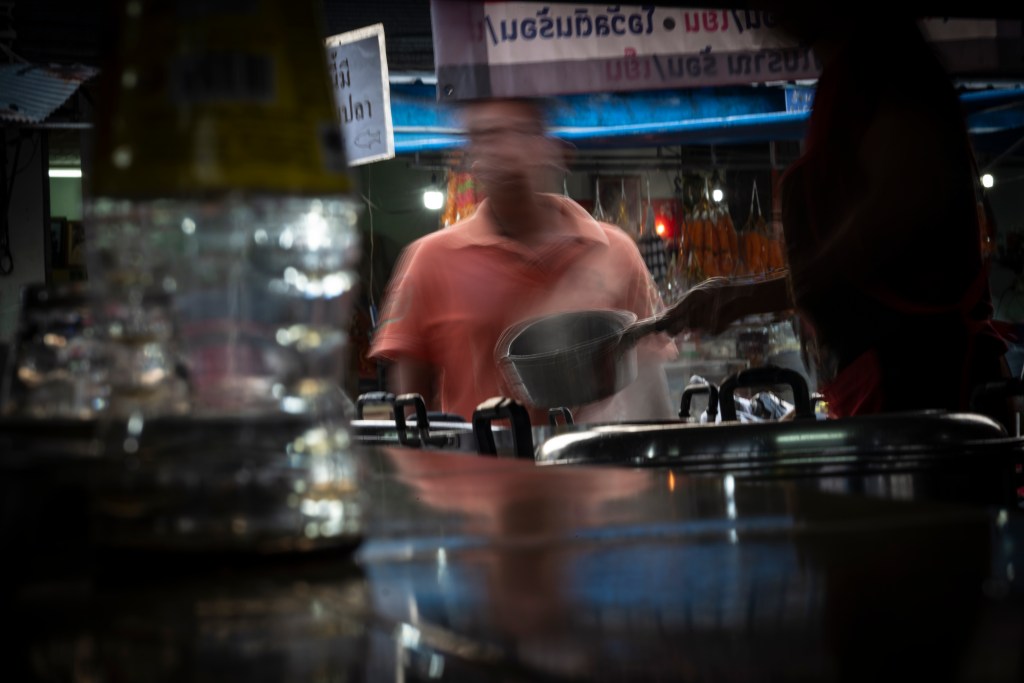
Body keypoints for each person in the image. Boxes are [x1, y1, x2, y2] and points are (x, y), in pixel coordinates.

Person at [668, 12, 1011, 422]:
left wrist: (746, 296)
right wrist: (736, 295)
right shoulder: (843, 78)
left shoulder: (889, 64)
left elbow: (885, 225)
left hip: (931, 397)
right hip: (884, 395)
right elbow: (848, 263)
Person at [368, 97, 675, 423]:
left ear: (553, 149)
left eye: (523, 132)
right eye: (488, 136)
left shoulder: (613, 252)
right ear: (472, 159)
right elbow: (411, 409)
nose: (507, 150)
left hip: (594, 468)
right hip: (479, 471)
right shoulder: (430, 260)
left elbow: (651, 381)